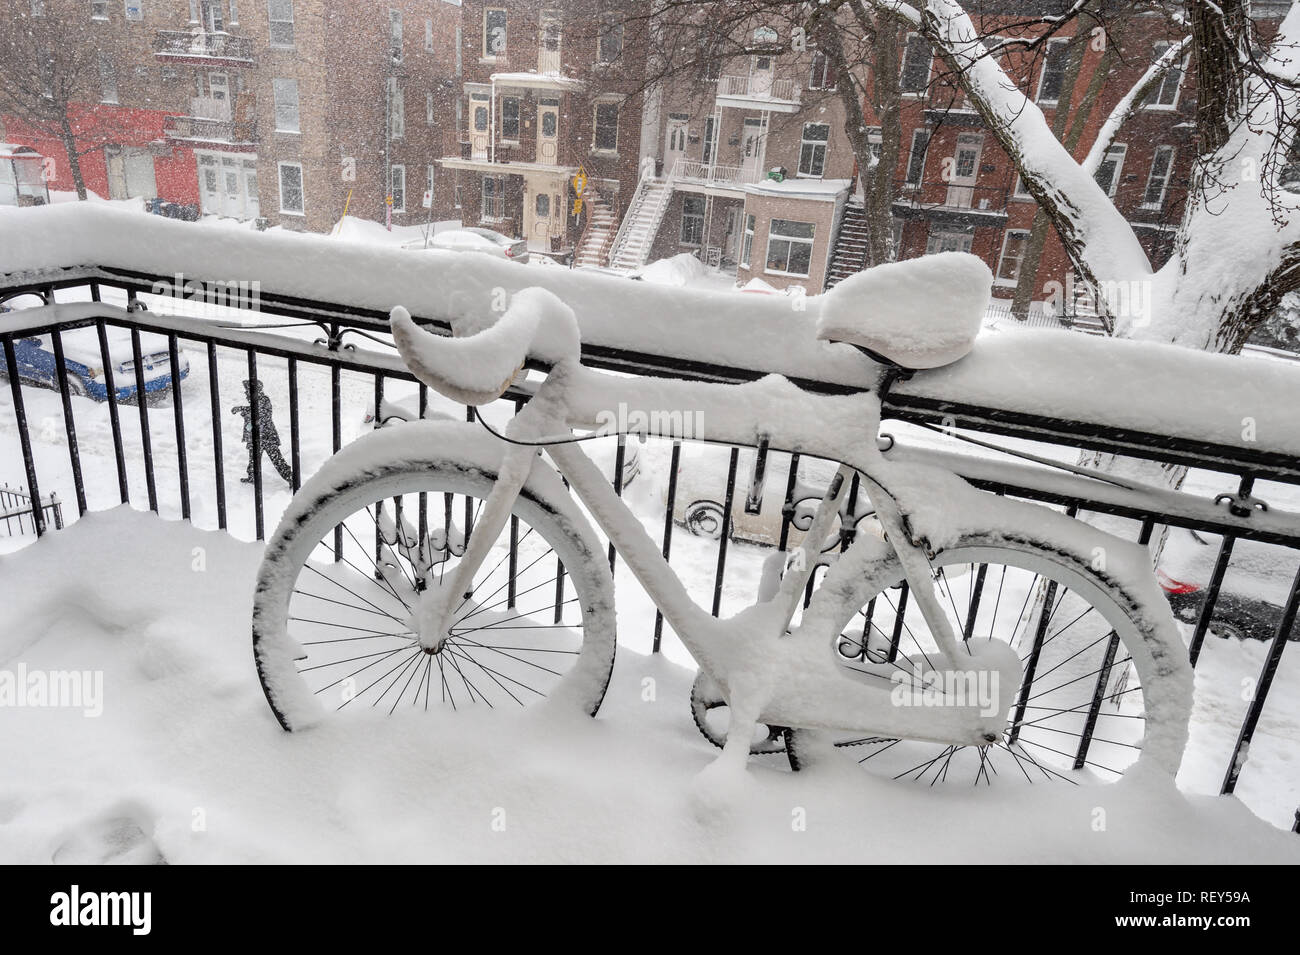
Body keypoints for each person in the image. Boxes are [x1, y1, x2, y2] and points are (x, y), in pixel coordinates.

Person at [232, 378, 292, 484]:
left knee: (277, 460)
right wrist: (241, 408)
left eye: (247, 391)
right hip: (256, 437)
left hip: (267, 437)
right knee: (253, 459)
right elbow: (254, 410)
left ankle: (291, 478)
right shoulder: (256, 402)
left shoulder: (264, 400)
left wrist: (247, 415)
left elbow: (263, 415)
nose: (246, 394)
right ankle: (252, 476)